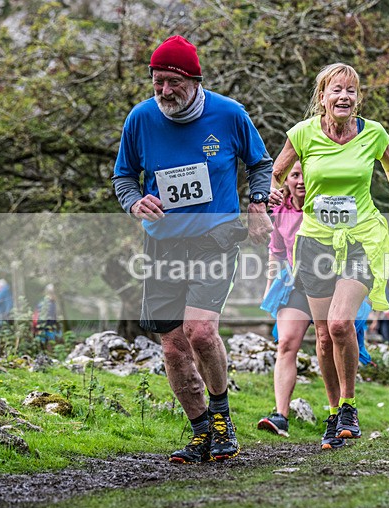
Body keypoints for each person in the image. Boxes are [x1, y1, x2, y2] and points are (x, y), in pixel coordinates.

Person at [111, 35, 273, 463]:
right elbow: (124, 176)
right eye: (157, 81)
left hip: (215, 237)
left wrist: (258, 202)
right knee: (172, 346)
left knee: (200, 331)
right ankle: (201, 430)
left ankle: (222, 420)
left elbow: (260, 162)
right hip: (164, 244)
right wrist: (134, 201)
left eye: (172, 82)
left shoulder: (229, 113)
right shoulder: (141, 119)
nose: (164, 91)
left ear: (195, 80)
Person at [271, 63, 389, 449]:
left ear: (358, 99)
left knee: (340, 325)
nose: (344, 97)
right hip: (315, 241)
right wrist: (270, 194)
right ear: (322, 97)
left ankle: (350, 406)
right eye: (336, 90)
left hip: (361, 237)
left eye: (351, 92)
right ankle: (334, 412)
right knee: (322, 336)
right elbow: (276, 171)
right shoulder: (302, 134)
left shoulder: (372, 133)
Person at [257, 161, 373, 438]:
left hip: (330, 280)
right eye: (294, 175)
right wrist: (270, 283)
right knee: (286, 342)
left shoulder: (330, 204)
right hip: (295, 281)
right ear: (285, 181)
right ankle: (280, 415)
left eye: (304, 175)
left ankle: (341, 410)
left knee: (328, 338)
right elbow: (276, 252)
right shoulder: (280, 210)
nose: (299, 181)